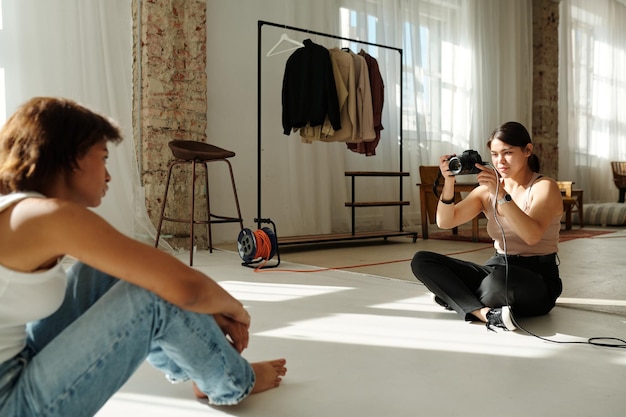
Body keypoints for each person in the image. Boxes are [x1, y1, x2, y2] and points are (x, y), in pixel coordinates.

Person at [0, 97, 287, 417]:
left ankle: (198, 369)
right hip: (11, 403)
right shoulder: (46, 216)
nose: (108, 176)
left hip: (18, 361)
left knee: (104, 271)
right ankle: (233, 380)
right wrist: (235, 311)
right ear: (73, 157)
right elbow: (184, 288)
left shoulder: (18, 210)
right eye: (103, 158)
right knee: (153, 291)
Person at [411, 121, 564, 331]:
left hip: (537, 278)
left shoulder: (544, 187)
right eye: (494, 154)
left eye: (507, 152)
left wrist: (500, 193)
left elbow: (531, 236)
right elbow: (445, 222)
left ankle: (454, 296)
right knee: (422, 260)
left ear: (528, 150)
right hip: (497, 267)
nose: (500, 161)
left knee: (498, 284)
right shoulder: (486, 191)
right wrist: (449, 182)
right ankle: (483, 313)